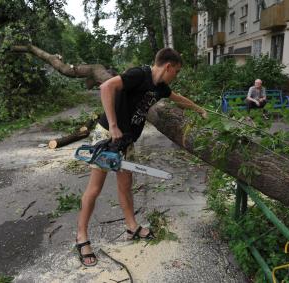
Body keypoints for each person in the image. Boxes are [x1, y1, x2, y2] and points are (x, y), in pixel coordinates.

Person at [75, 48, 208, 267]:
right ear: (168, 66)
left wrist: (198, 108)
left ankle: (131, 226)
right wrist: (114, 125)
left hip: (127, 139)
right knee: (95, 188)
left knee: (126, 184)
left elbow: (177, 98)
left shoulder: (160, 87)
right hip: (107, 135)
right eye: (176, 71)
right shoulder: (139, 74)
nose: (176, 75)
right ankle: (81, 237)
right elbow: (106, 86)